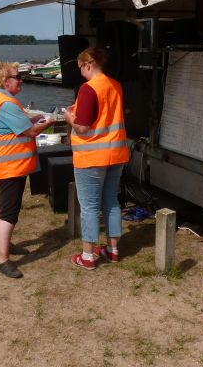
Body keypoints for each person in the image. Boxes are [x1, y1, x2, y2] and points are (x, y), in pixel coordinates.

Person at [0, 62, 56, 279]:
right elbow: (31, 132)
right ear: (6, 82)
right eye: (17, 76)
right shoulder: (6, 104)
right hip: (10, 166)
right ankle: (3, 260)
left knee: (2, 205)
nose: (21, 79)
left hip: (4, 164)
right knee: (9, 212)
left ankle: (6, 245)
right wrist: (48, 122)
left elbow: (19, 125)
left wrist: (31, 119)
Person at [63, 46, 129, 271]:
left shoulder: (88, 89)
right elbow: (104, 115)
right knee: (111, 201)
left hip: (92, 156)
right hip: (116, 153)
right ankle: (113, 250)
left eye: (81, 67)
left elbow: (82, 127)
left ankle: (88, 256)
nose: (80, 72)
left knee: (90, 206)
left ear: (88, 64)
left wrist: (69, 117)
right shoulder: (116, 86)